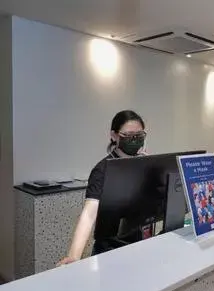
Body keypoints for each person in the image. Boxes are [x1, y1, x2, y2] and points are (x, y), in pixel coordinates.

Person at [57, 110, 147, 266]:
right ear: (114, 136)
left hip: (137, 246)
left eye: (139, 136)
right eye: (129, 135)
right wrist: (74, 256)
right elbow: (89, 214)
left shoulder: (142, 164)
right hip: (109, 251)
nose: (134, 140)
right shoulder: (103, 169)